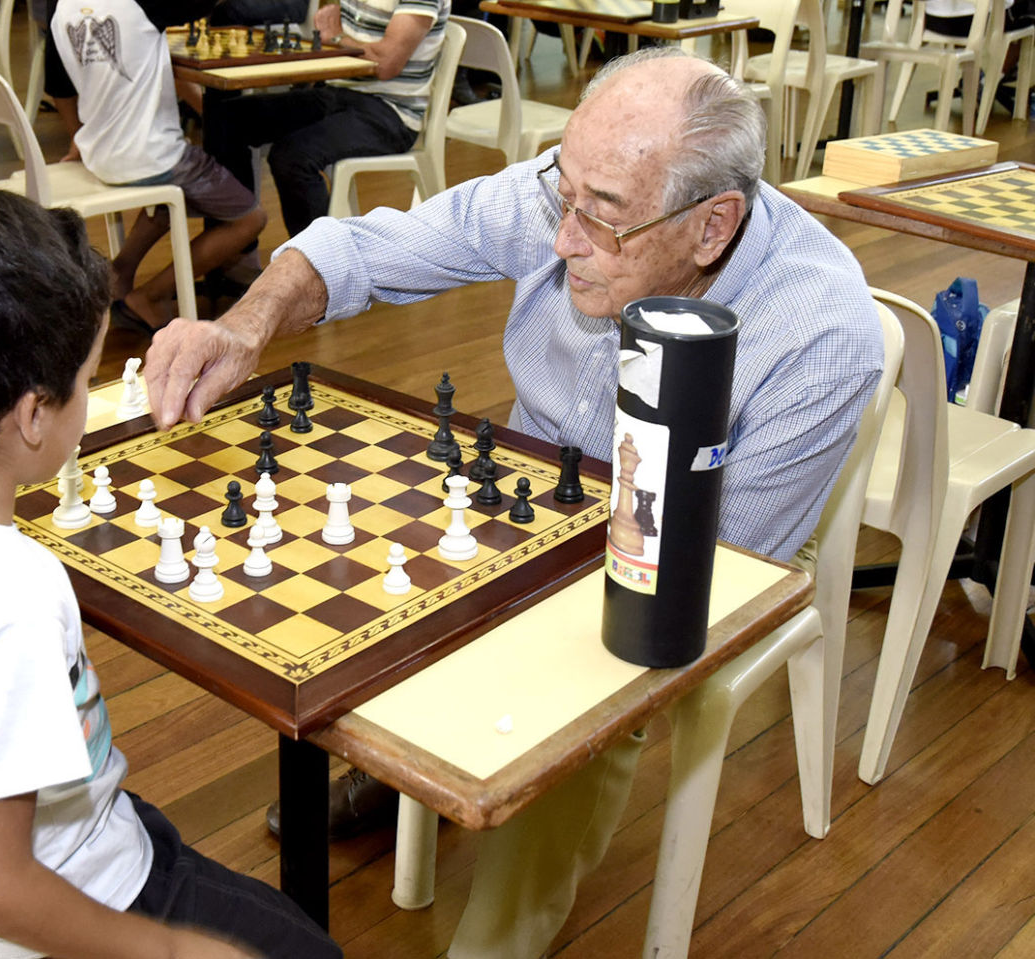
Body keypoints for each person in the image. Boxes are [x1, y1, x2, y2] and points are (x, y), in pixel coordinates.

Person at [142, 47, 885, 958]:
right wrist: (243, 323)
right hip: (529, 490)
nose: (564, 235)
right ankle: (411, 753)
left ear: (712, 226)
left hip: (681, 556)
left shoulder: (822, 334)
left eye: (603, 218)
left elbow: (723, 574)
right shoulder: (568, 196)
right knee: (375, 542)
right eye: (564, 195)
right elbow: (365, 248)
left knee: (597, 681)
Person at [0, 183, 341, 959]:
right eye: (86, 381)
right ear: (32, 415)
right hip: (42, 912)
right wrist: (168, 951)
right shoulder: (12, 592)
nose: (90, 396)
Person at [46, 0, 268, 331]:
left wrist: (78, 137)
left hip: (100, 153)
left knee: (168, 202)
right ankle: (152, 295)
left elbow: (59, 91)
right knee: (251, 219)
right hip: (155, 156)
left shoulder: (59, 8)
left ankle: (118, 273)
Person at [209, 0, 451, 238]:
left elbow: (386, 63)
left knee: (293, 157)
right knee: (227, 121)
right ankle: (235, 255)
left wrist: (336, 37)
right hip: (338, 92)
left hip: (391, 113)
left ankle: (322, 268)